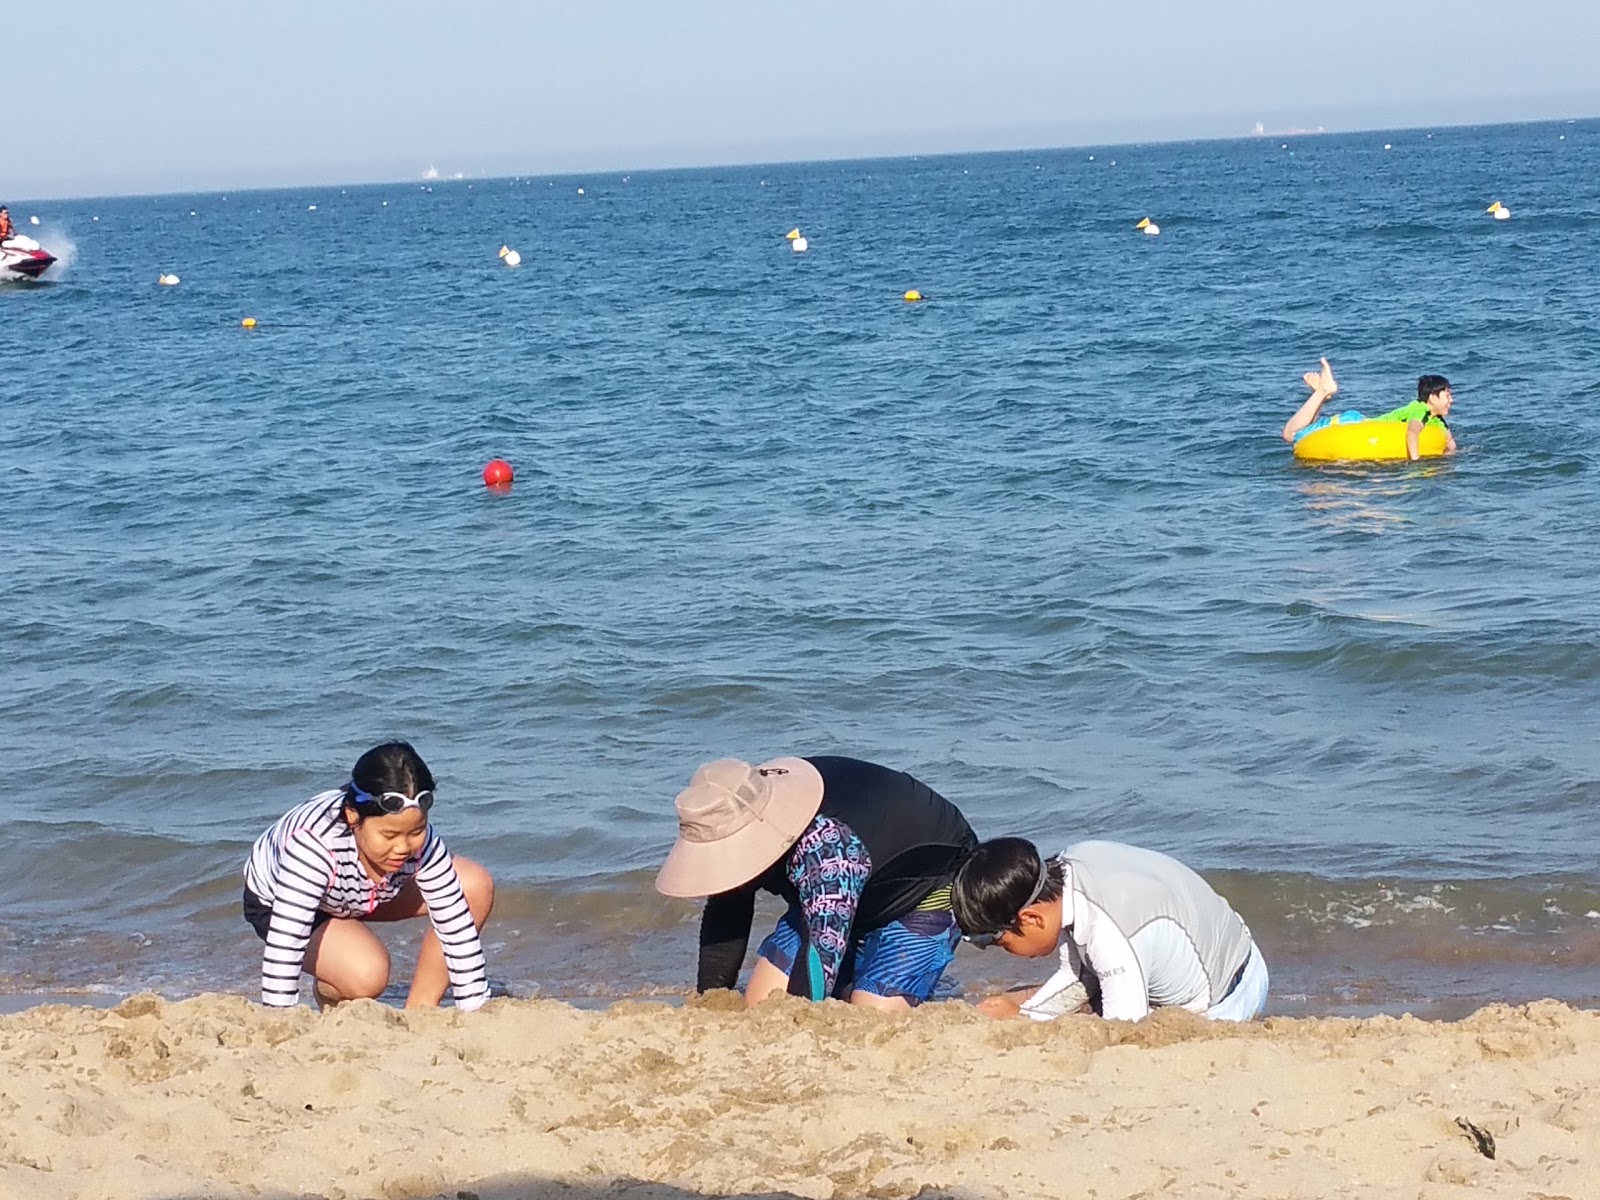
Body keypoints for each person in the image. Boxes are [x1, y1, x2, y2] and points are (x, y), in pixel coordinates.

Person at [655, 755, 978, 1010]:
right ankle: (858, 970)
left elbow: (822, 949)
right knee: (760, 1002)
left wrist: (800, 1020)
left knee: (871, 1011)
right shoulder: (736, 809)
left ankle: (885, 975)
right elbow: (728, 912)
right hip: (833, 893)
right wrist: (711, 998)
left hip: (925, 888)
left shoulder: (824, 847)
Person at [242, 740, 494, 1011]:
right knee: (368, 975)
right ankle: (333, 984)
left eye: (415, 831)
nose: (403, 847)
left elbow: (456, 927)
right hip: (285, 903)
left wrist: (475, 1006)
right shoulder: (313, 846)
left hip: (367, 891)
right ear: (353, 816)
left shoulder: (422, 843)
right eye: (389, 835)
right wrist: (281, 1022)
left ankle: (421, 1012)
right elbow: (285, 946)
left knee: (474, 885)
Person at [951, 837, 1268, 1023]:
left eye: (997, 942)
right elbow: (1080, 973)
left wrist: (1025, 1018)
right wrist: (1026, 1015)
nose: (1003, 951)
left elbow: (1121, 1033)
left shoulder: (1110, 932)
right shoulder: (1072, 864)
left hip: (1228, 997)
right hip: (1239, 946)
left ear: (1031, 918)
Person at [1282, 358, 1457, 461]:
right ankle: (1322, 391)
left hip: (1357, 424)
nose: (1452, 400)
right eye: (1447, 395)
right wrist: (1416, 462)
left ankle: (1321, 394)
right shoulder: (1420, 410)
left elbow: (1450, 443)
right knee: (1291, 435)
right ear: (1432, 398)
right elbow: (1412, 433)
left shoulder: (1439, 420)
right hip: (1352, 425)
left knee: (1302, 433)